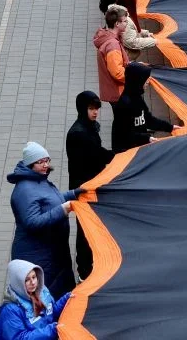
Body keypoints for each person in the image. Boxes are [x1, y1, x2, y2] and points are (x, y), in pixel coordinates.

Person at [6, 142, 79, 298]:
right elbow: (33, 222)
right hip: (38, 255)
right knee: (45, 296)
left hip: (51, 251)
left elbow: (51, 200)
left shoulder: (38, 179)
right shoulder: (25, 190)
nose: (46, 165)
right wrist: (63, 209)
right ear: (30, 164)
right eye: (40, 162)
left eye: (47, 160)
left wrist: (74, 194)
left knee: (59, 293)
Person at [66, 90, 115, 280]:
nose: (95, 112)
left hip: (91, 186)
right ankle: (84, 271)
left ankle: (88, 266)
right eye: (91, 108)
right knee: (85, 231)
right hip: (84, 189)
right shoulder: (79, 134)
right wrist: (117, 157)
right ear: (82, 109)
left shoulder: (89, 127)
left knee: (89, 228)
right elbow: (96, 156)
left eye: (97, 108)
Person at [111, 62, 179, 152]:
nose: (148, 82)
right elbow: (125, 135)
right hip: (127, 152)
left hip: (138, 147)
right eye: (145, 79)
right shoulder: (124, 104)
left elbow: (148, 120)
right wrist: (147, 138)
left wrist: (170, 127)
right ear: (137, 80)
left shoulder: (137, 97)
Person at [0, 260, 70, 340]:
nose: (33, 282)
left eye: (34, 277)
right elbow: (20, 338)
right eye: (27, 280)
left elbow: (51, 313)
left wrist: (65, 300)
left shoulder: (42, 292)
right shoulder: (10, 310)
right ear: (18, 283)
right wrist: (52, 330)